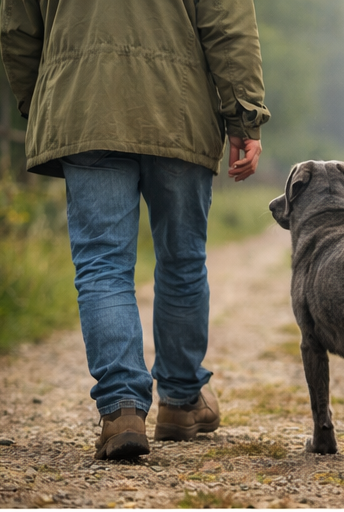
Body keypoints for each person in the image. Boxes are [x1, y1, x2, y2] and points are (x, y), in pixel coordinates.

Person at [0, 0, 270, 459]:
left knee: (102, 262)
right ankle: (182, 400)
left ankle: (122, 408)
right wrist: (243, 117)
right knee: (182, 258)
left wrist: (44, 99)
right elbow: (228, 24)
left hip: (82, 103)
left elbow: (18, 29)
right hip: (179, 107)